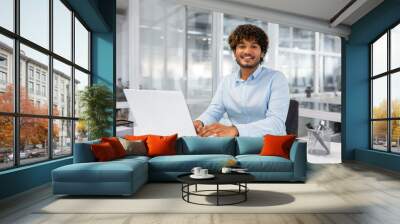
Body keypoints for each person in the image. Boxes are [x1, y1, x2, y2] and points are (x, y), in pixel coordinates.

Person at [193, 24, 289, 137]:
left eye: (254, 46)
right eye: (242, 46)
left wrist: (236, 130)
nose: (247, 51)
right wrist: (199, 123)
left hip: (269, 145)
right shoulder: (227, 82)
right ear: (235, 52)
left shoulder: (276, 79)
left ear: (262, 52)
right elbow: (214, 111)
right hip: (238, 146)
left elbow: (276, 124)